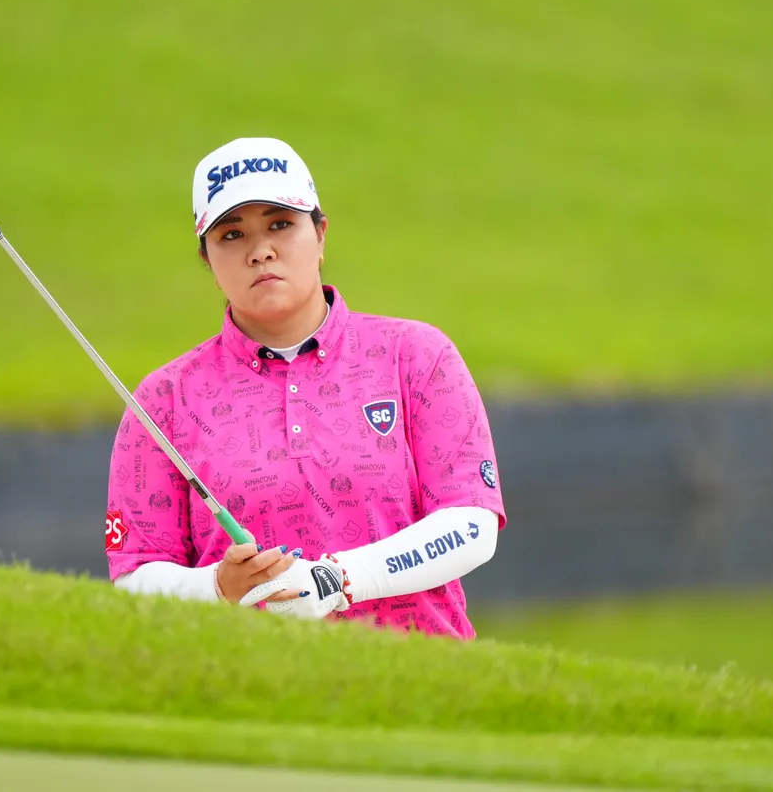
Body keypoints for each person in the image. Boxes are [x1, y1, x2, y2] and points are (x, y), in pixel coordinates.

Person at [106, 136, 505, 638]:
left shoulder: (416, 355)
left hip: (420, 674)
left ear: (320, 236)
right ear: (208, 262)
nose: (260, 251)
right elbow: (134, 574)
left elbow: (471, 525)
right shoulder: (163, 399)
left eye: (280, 224)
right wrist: (217, 587)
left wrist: (337, 580)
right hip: (241, 679)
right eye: (232, 235)